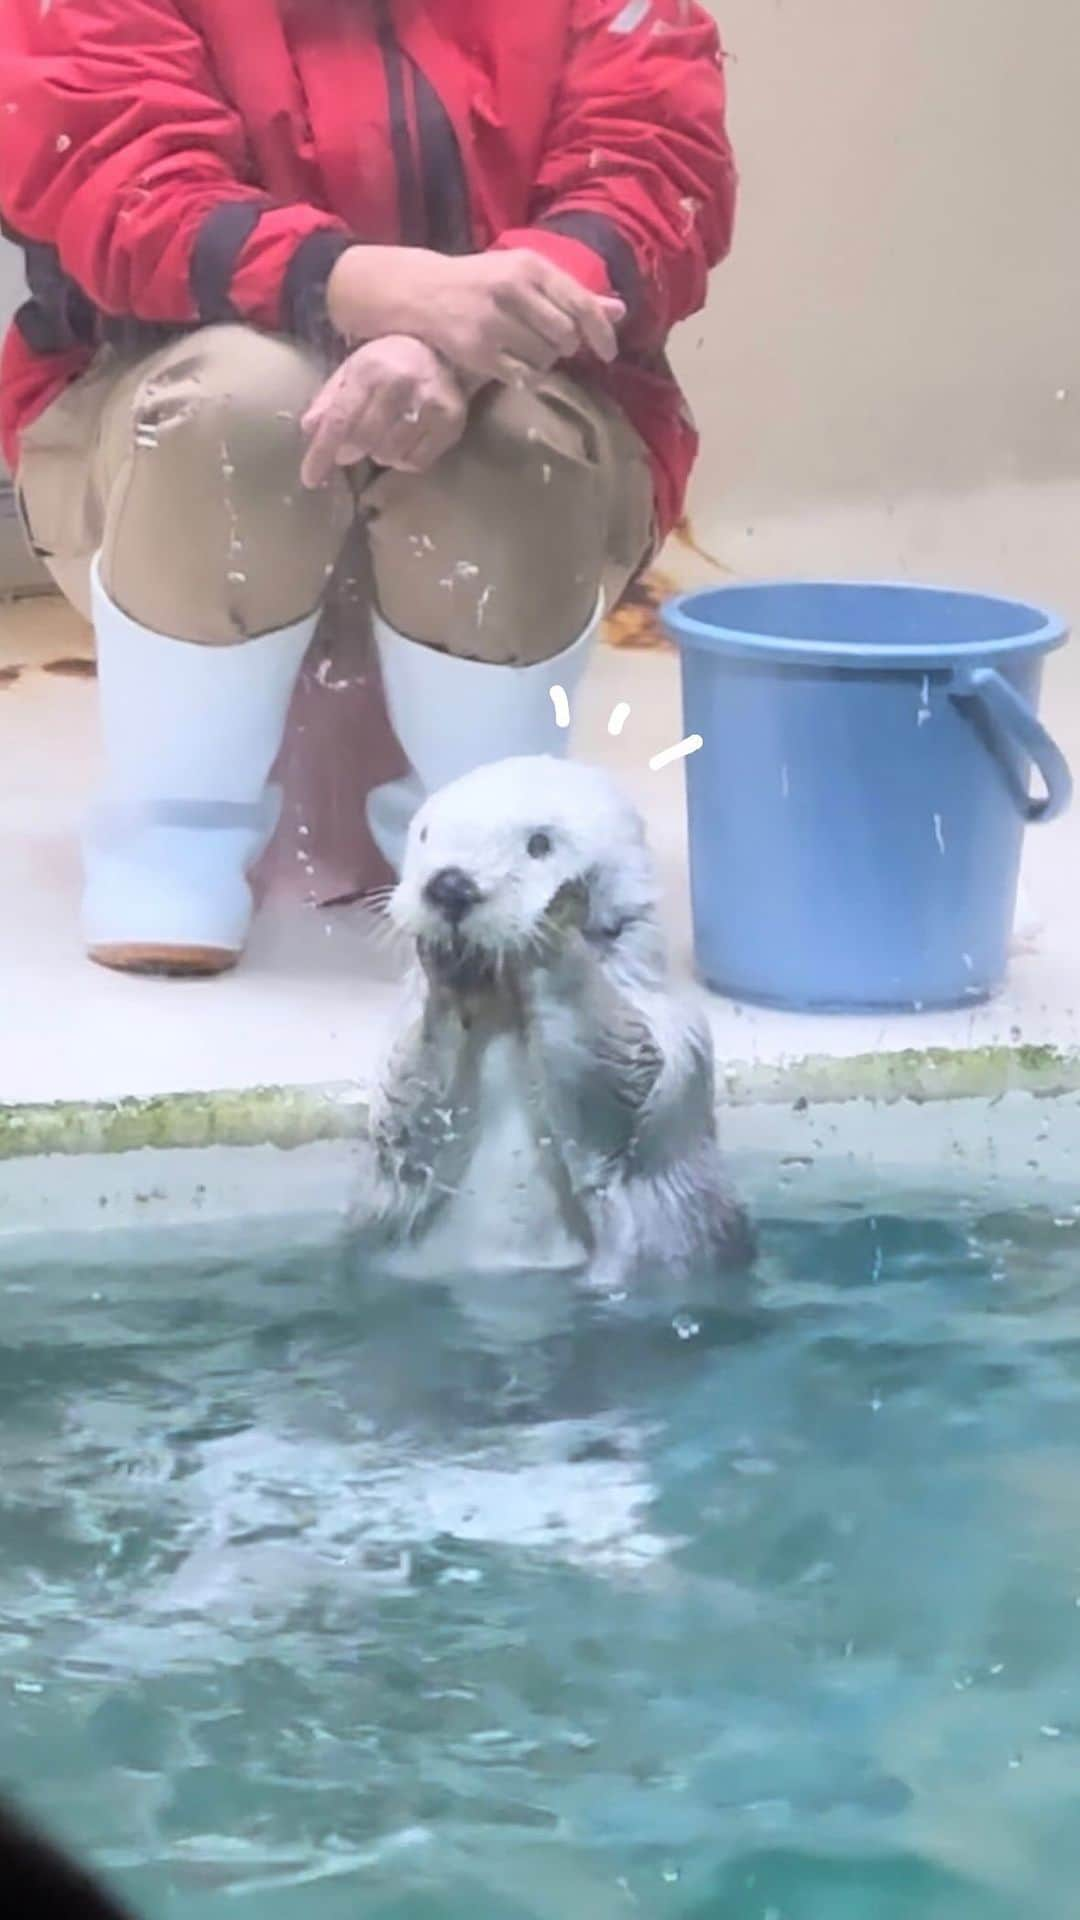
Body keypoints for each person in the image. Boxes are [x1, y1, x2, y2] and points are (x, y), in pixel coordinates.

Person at [0, 0, 736, 978]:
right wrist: (358, 287)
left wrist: (460, 341)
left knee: (508, 445)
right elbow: (111, 172)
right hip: (162, 431)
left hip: (523, 400)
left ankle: (484, 839)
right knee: (242, 409)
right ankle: (174, 832)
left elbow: (654, 178)